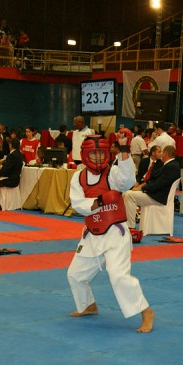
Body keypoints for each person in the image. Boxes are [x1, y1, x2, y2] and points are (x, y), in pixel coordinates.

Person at [66, 130, 155, 333]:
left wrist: (124, 148)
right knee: (75, 275)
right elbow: (78, 204)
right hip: (92, 234)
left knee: (118, 276)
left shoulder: (112, 173)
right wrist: (100, 201)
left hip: (115, 232)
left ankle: (146, 312)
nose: (98, 157)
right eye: (93, 153)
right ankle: (88, 305)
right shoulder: (78, 177)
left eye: (100, 153)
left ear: (106, 153)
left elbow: (127, 181)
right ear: (85, 155)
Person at [123, 145, 181, 228]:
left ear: (165, 153)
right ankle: (129, 223)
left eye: (162, 152)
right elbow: (155, 180)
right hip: (156, 193)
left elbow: (159, 184)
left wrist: (142, 189)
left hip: (158, 196)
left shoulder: (171, 166)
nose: (161, 155)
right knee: (126, 193)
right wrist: (142, 186)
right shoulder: (170, 165)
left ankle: (130, 226)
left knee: (129, 195)